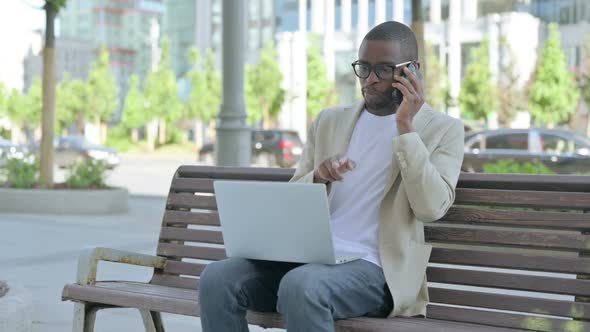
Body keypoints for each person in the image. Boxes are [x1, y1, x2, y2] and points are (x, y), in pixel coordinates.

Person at [198, 21, 465, 332]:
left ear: (412, 70)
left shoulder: (443, 129)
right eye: (364, 67)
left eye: (384, 69)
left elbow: (431, 207)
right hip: (312, 258)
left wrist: (406, 126)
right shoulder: (329, 121)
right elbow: (293, 195)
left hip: (377, 271)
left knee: (303, 286)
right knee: (217, 278)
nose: (371, 80)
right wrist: (319, 177)